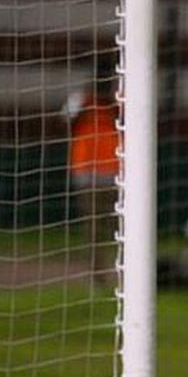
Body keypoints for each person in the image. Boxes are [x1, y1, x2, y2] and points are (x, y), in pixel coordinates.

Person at [63, 56, 120, 286]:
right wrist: (86, 103)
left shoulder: (118, 103)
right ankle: (98, 276)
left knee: (119, 227)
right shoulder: (82, 101)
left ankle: (125, 274)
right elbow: (66, 123)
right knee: (94, 228)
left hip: (116, 173)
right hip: (87, 173)